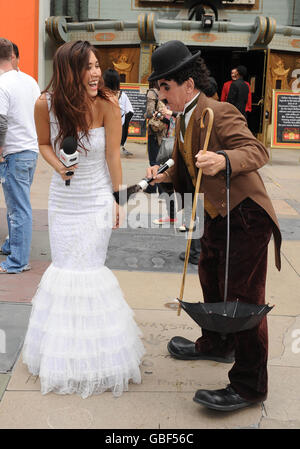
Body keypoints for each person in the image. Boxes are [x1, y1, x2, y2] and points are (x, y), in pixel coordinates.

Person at [146, 40, 281, 411]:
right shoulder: (185, 116)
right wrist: (164, 175)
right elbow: (187, 163)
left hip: (247, 215)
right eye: (160, 88)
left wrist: (223, 159)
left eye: (165, 87)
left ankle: (251, 385)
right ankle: (219, 343)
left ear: (187, 85)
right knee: (209, 276)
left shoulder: (219, 112)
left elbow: (257, 152)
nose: (162, 95)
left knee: (243, 299)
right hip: (216, 215)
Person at [22, 40, 144, 398]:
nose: (95, 73)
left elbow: (113, 156)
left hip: (95, 200)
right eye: (87, 67)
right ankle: (65, 358)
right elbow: (43, 143)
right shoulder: (44, 103)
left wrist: (118, 198)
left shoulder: (108, 104)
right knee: (64, 269)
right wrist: (59, 167)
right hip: (64, 200)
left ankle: (97, 360)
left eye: (96, 65)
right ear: (68, 71)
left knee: (89, 270)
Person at [0, 38, 40, 273]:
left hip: (13, 153)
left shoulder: (2, 84)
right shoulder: (30, 81)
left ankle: (18, 261)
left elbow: (0, 123)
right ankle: (12, 245)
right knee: (17, 204)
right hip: (30, 151)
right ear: (11, 56)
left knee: (18, 208)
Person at [103, 68, 134, 156]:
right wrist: (124, 126)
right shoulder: (123, 95)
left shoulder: (99, 96)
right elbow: (130, 112)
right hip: (117, 128)